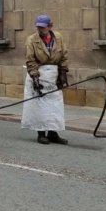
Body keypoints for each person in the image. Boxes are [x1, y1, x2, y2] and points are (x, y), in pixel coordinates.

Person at [22, 14, 70, 145]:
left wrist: (63, 74)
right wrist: (35, 78)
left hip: (53, 74)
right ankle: (41, 133)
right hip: (39, 72)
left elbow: (64, 56)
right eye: (38, 27)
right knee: (39, 105)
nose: (40, 30)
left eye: (43, 27)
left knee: (55, 105)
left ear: (50, 26)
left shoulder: (58, 38)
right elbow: (30, 60)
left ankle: (53, 133)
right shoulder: (31, 40)